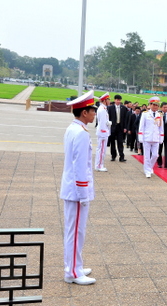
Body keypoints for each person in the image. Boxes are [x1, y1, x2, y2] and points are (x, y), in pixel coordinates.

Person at [60, 90, 97, 285]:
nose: (94, 114)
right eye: (93, 110)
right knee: (76, 232)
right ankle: (73, 272)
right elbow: (80, 166)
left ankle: (75, 265)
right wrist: (84, 194)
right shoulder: (81, 134)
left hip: (72, 188)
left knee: (74, 231)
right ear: (84, 112)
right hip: (76, 191)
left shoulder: (72, 128)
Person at [138, 96, 164, 178]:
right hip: (147, 137)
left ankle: (149, 167)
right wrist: (141, 137)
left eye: (157, 105)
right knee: (147, 156)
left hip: (156, 137)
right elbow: (141, 126)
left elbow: (161, 127)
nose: (155, 106)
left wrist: (161, 137)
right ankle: (147, 171)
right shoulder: (145, 114)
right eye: (154, 104)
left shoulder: (159, 115)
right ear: (150, 105)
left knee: (155, 155)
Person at [107, 95, 128, 162]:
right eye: (117, 100)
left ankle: (121, 156)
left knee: (120, 142)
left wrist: (125, 127)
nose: (118, 101)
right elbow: (108, 118)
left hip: (120, 127)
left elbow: (125, 119)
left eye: (119, 100)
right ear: (115, 100)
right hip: (113, 127)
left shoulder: (124, 108)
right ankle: (113, 156)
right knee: (112, 142)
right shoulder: (110, 108)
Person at [95, 92, 111, 172]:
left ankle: (99, 164)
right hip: (103, 132)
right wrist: (105, 131)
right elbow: (101, 123)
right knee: (101, 150)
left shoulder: (103, 108)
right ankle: (99, 165)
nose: (110, 101)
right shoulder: (102, 110)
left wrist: (108, 123)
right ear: (105, 100)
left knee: (101, 149)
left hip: (103, 131)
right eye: (108, 99)